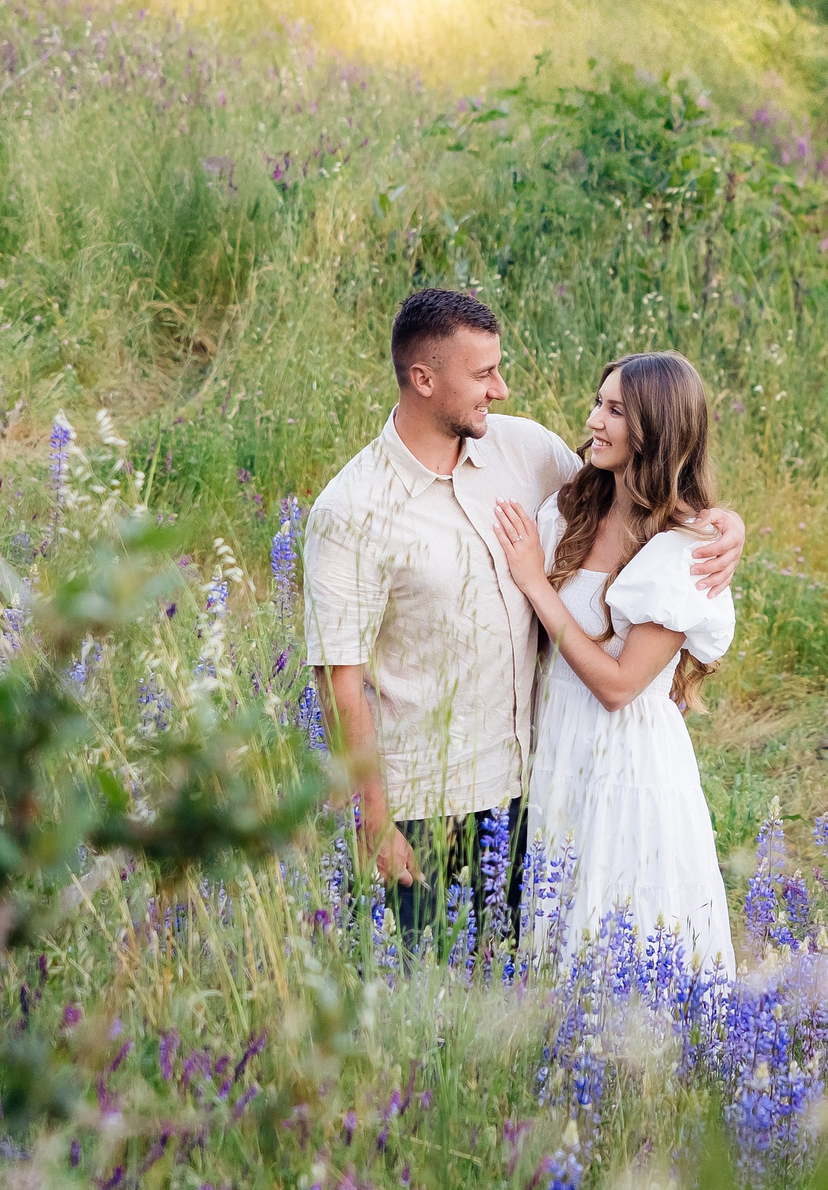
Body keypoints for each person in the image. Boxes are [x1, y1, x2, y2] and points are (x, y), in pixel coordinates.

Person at [301, 289, 745, 954]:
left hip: (528, 788)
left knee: (528, 977)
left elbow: (645, 497)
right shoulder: (351, 509)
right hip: (424, 800)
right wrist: (373, 815)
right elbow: (339, 680)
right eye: (483, 374)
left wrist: (723, 524)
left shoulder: (522, 452)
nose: (501, 389)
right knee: (430, 994)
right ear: (425, 379)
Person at [491, 351, 738, 973]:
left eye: (615, 410)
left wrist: (535, 583)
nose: (594, 420)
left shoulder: (682, 552)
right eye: (598, 403)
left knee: (624, 917)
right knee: (563, 917)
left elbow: (620, 686)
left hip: (630, 759)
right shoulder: (572, 506)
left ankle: (648, 1066)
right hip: (561, 745)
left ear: (653, 430)